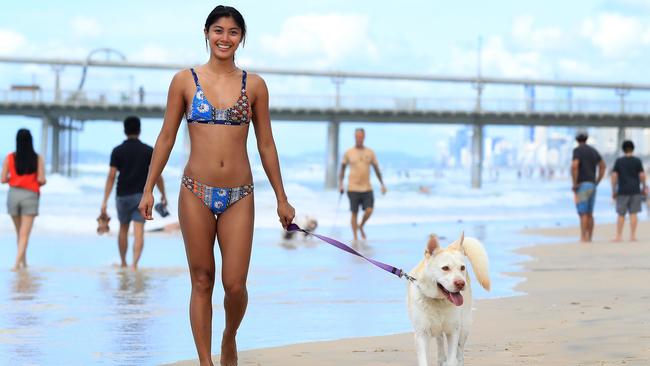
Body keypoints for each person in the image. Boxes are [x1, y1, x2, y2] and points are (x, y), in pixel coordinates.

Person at [137, 6, 295, 366]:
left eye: (233, 32)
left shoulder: (254, 85)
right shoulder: (183, 80)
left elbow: (266, 144)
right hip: (195, 191)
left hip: (240, 194)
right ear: (206, 33)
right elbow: (165, 136)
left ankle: (229, 336)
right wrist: (148, 188)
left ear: (242, 38)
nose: (225, 38)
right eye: (218, 30)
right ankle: (205, 362)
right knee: (202, 279)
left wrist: (282, 199)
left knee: (235, 284)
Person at [101, 116, 167, 270]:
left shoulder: (117, 151)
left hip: (122, 195)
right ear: (139, 130)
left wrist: (104, 200)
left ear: (125, 130)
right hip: (140, 196)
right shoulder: (148, 151)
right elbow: (157, 175)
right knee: (139, 231)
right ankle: (134, 265)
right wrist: (163, 194)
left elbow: (111, 176)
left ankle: (123, 262)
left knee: (123, 229)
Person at [1, 129, 46, 271]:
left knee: (19, 232)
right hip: (30, 196)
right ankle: (16, 264)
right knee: (24, 234)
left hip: (13, 195)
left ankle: (23, 263)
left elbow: (2, 179)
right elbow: (42, 179)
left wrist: (13, 179)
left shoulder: (9, 157)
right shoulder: (37, 158)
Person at [338, 128, 387, 242]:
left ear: (364, 137)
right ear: (355, 137)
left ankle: (361, 225)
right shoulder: (348, 152)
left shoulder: (370, 152)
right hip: (353, 187)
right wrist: (340, 184)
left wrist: (382, 184)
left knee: (369, 210)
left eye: (361, 137)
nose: (359, 139)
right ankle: (355, 238)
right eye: (357, 137)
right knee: (354, 213)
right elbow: (342, 171)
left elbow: (376, 169)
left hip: (367, 188)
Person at [571, 131, 605, 243]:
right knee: (590, 213)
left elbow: (575, 166)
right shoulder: (593, 151)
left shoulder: (577, 150)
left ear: (577, 140)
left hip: (582, 184)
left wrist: (575, 183)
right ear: (586, 139)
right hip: (592, 184)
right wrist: (597, 181)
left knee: (583, 212)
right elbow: (603, 166)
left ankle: (583, 237)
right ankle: (589, 237)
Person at [611, 140, 647, 242]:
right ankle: (633, 236)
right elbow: (642, 175)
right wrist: (644, 187)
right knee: (634, 213)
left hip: (622, 191)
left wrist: (613, 190)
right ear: (633, 148)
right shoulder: (637, 161)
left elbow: (614, 176)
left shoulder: (619, 161)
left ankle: (619, 236)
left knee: (621, 214)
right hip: (635, 190)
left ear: (623, 149)